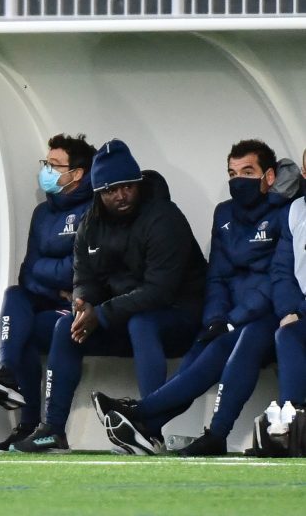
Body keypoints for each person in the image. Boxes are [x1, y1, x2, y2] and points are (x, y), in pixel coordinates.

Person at [93, 140, 302, 456]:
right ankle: (148, 425)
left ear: (269, 177)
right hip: (229, 316)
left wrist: (232, 321)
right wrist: (216, 319)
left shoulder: (285, 210)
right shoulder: (225, 214)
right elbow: (216, 275)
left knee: (234, 343)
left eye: (248, 172)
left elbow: (275, 279)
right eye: (232, 173)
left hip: (263, 316)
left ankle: (150, 415)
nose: (238, 180)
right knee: (200, 352)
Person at [12, 139, 207, 453]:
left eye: (128, 186)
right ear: (99, 193)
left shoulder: (164, 218)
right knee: (67, 328)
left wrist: (100, 314)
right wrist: (83, 302)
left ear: (137, 184)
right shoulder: (91, 222)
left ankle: (149, 428)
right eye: (111, 190)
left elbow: (159, 291)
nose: (121, 195)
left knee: (142, 323)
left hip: (178, 316)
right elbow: (84, 276)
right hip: (125, 315)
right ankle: (52, 430)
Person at [0, 134, 96, 452]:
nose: (46, 170)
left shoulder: (93, 209)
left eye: (55, 165)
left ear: (78, 173)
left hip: (76, 307)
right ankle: (8, 377)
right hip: (48, 298)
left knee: (28, 331)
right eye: (46, 163)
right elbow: (28, 271)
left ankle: (38, 424)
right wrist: (54, 281)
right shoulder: (42, 213)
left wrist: (56, 278)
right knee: (15, 294)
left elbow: (79, 270)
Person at [272, 147, 306, 407]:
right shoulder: (296, 210)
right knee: (288, 334)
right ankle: (292, 422)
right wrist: (288, 310)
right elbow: (282, 270)